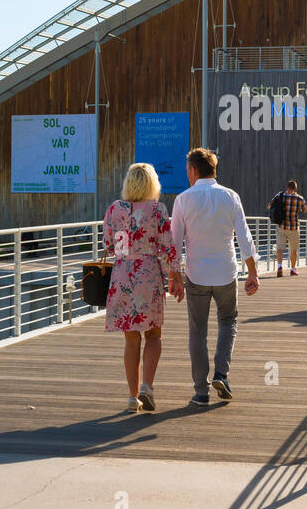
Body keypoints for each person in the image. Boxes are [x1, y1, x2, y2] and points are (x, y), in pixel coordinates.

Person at [168, 147, 259, 407]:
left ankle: (201, 391)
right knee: (228, 321)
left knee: (197, 332)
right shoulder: (231, 196)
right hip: (225, 273)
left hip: (195, 274)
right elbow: (244, 237)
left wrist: (174, 277)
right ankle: (222, 374)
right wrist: (252, 273)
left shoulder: (183, 199)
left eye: (188, 171)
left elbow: (174, 243)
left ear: (194, 170)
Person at [103, 163, 179, 413]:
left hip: (123, 274)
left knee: (131, 339)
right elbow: (168, 246)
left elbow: (109, 244)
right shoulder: (158, 210)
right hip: (148, 274)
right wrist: (175, 275)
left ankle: (131, 397)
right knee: (154, 334)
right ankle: (147, 386)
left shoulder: (114, 209)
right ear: (152, 184)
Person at [267, 179, 307, 277]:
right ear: (296, 188)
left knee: (280, 248)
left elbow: (269, 206)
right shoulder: (300, 199)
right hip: (293, 227)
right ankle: (293, 269)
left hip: (281, 226)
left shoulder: (279, 196)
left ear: (287, 187)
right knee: (293, 250)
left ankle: (280, 267)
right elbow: (304, 210)